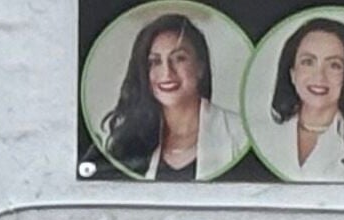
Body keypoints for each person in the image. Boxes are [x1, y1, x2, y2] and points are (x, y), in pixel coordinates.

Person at [100, 13, 246, 181]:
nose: (167, 72)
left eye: (179, 59)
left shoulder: (240, 134)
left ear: (200, 68)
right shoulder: (128, 143)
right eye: (155, 62)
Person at [264, 16, 344, 182]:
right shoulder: (265, 137)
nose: (319, 76)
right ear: (292, 73)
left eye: (334, 65)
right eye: (308, 62)